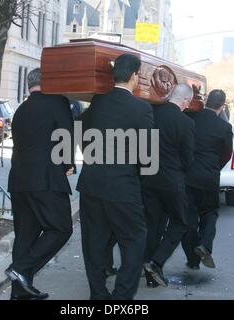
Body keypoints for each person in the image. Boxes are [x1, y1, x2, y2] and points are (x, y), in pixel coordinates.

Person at [77, 54, 154, 300]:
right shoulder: (142, 109)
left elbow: (79, 129)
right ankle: (121, 298)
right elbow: (147, 155)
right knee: (134, 240)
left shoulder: (97, 102)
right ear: (134, 76)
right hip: (123, 186)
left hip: (91, 183)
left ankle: (98, 296)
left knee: (94, 243)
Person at [5, 68, 75, 300]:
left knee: (25, 236)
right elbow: (65, 136)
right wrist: (68, 165)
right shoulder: (58, 102)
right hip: (46, 180)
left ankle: (19, 293)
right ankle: (21, 270)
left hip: (19, 181)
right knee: (61, 228)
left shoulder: (21, 110)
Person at [142, 84, 195, 287]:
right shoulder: (186, 122)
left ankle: (149, 272)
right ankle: (157, 262)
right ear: (185, 101)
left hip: (148, 178)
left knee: (153, 225)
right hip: (172, 180)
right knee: (180, 222)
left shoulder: (151, 113)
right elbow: (188, 158)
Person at [181, 89, 233, 269]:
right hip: (209, 177)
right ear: (222, 106)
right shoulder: (225, 127)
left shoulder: (191, 119)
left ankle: (192, 260)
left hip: (188, 176)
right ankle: (205, 245)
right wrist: (214, 167)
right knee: (210, 212)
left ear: (206, 101)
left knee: (189, 219)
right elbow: (227, 154)